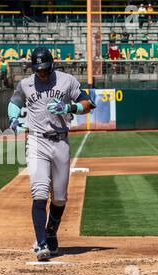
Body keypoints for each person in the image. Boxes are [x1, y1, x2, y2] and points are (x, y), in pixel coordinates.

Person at [7, 47, 96, 261]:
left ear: (52, 65)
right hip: (36, 140)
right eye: (38, 70)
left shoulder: (67, 81)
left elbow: (88, 104)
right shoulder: (26, 84)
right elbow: (14, 103)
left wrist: (69, 108)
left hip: (60, 141)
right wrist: (13, 118)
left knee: (59, 197)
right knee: (39, 192)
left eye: (45, 69)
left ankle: (50, 232)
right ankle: (41, 243)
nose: (42, 73)